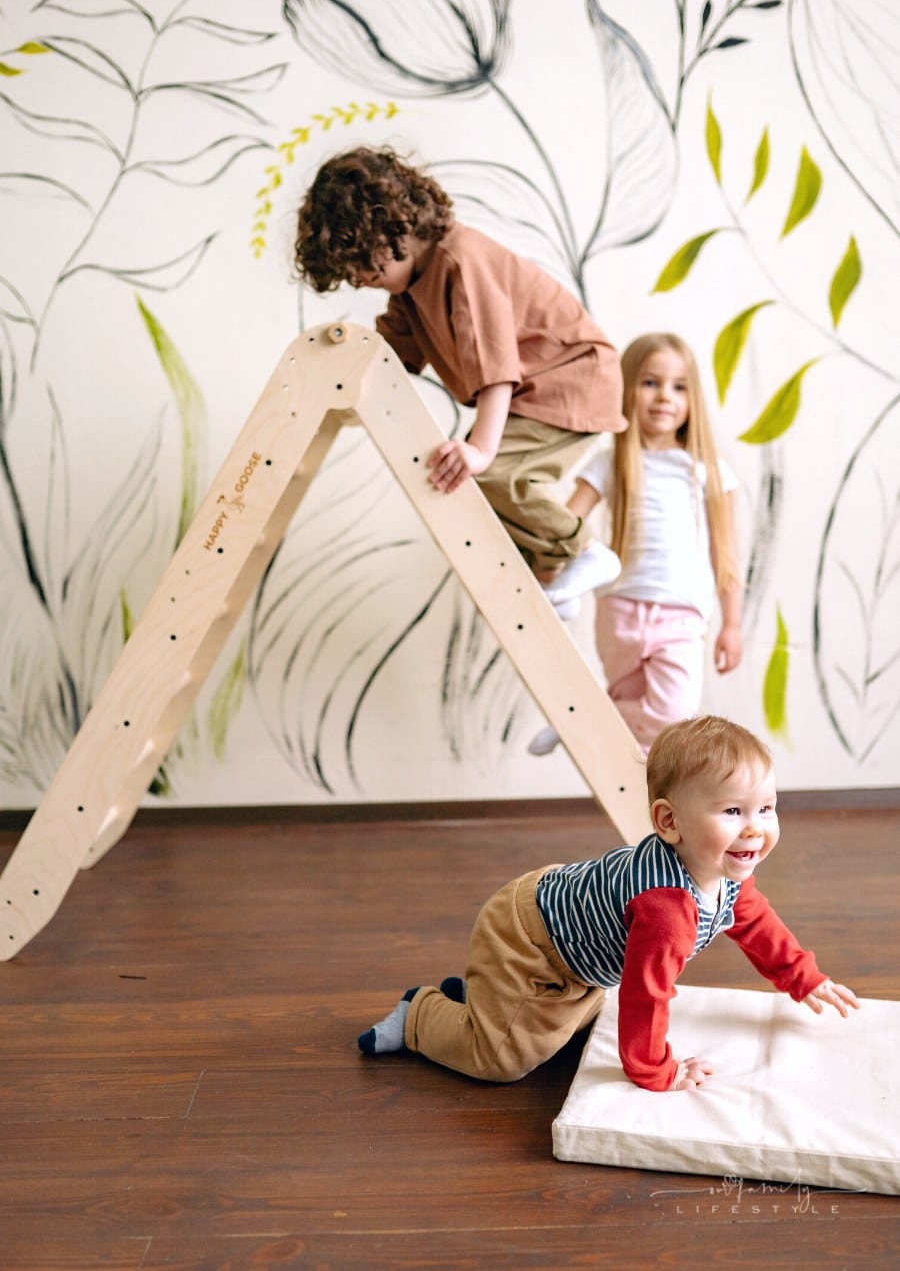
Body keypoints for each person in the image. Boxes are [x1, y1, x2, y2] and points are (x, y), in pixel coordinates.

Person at [357, 716, 858, 1092]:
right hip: (528, 938)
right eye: (732, 811)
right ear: (669, 823)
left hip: (570, 929)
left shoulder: (724, 870)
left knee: (577, 1018)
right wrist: (657, 1071)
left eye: (766, 808)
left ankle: (479, 999)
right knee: (504, 1060)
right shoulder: (667, 912)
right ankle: (420, 1016)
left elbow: (756, 924)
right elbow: (646, 996)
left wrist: (804, 977)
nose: (755, 827)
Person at [293, 145, 626, 606]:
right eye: (351, 275)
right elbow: (387, 357)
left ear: (397, 228)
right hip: (533, 388)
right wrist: (338, 387)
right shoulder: (410, 291)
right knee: (474, 488)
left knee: (492, 476)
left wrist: (481, 449)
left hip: (572, 378)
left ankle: (586, 550)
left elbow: (495, 365)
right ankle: (553, 573)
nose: (361, 279)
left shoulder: (460, 261)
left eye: (367, 264)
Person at [530, 331, 742, 756]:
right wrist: (546, 562)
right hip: (620, 609)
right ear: (626, 389)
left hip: (681, 613)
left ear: (692, 398)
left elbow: (726, 553)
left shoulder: (706, 470)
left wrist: (732, 624)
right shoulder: (610, 462)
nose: (664, 397)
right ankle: (630, 783)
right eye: (650, 383)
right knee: (632, 710)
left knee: (675, 717)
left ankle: (583, 718)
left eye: (678, 387)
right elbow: (569, 520)